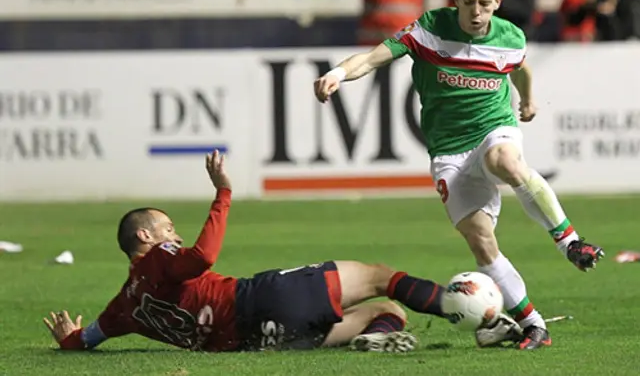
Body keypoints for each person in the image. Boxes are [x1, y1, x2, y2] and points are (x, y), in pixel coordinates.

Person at [313, 0, 604, 351]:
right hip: (448, 151)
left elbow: (520, 69)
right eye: (468, 2)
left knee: (506, 161)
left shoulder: (510, 37)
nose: (476, 12)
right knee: (481, 241)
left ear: (498, 1)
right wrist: (338, 74)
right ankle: (533, 324)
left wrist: (528, 100)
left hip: (493, 129)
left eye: (485, 3)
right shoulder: (429, 29)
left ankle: (569, 241)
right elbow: (372, 57)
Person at [45, 149, 519, 353]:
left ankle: (370, 340)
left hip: (257, 342)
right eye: (167, 227)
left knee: (387, 310)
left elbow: (86, 339)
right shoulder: (157, 256)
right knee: (381, 275)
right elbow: (202, 258)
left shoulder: (124, 305)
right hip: (261, 300)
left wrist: (69, 337)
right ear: (145, 237)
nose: (174, 234)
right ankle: (485, 320)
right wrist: (223, 193)